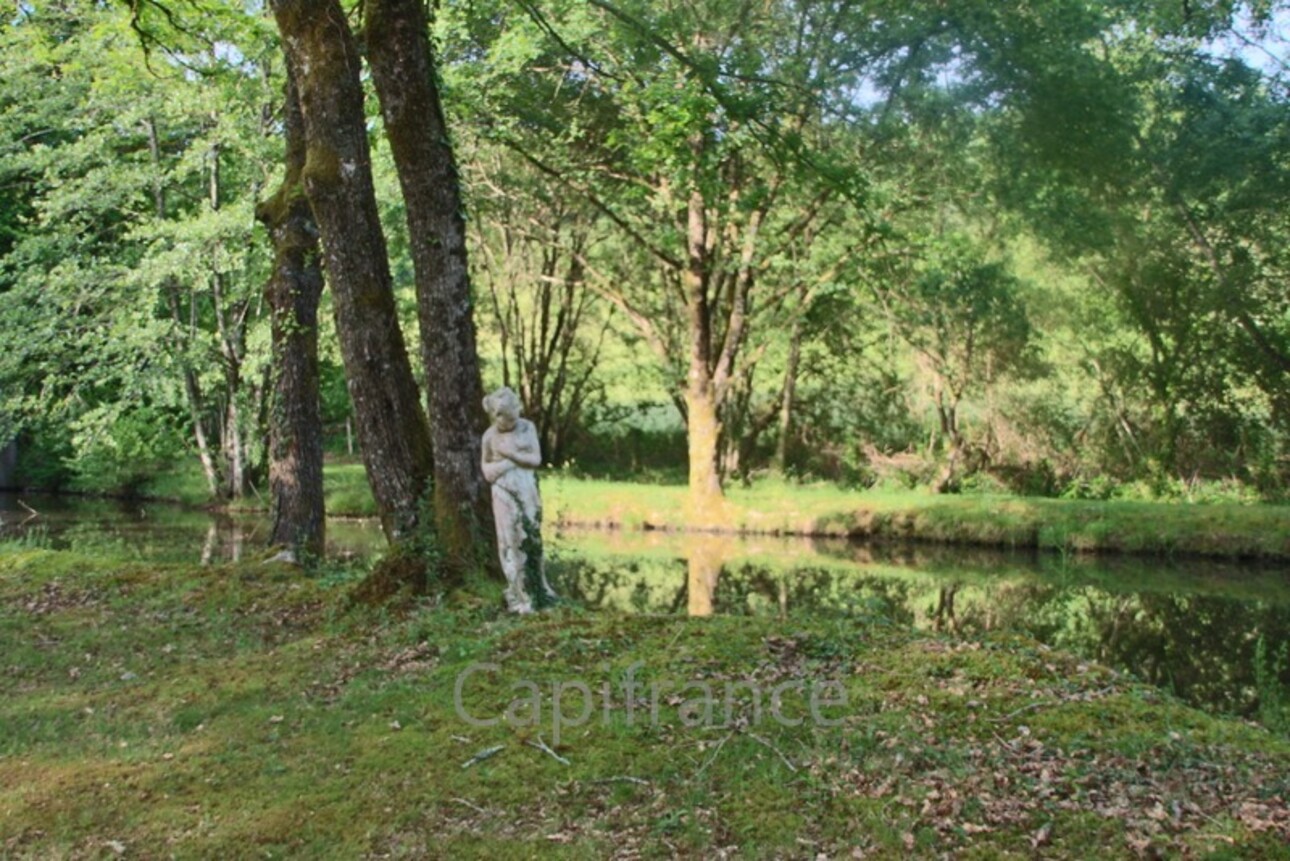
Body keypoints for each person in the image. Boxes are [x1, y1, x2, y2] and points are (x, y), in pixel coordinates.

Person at [481, 387, 555, 612]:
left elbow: (535, 459)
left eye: (514, 416)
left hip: (526, 489)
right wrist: (508, 463)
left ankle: (539, 586)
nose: (510, 423)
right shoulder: (489, 436)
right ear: (496, 417)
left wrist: (511, 455)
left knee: (531, 535)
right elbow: (486, 470)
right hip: (503, 494)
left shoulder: (527, 427)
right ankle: (518, 591)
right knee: (510, 540)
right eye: (504, 420)